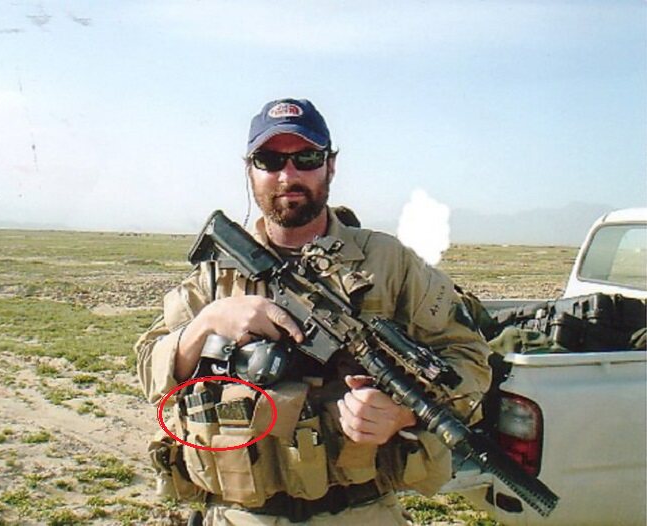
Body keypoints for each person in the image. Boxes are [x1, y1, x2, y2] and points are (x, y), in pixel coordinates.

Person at [135, 98, 491, 525]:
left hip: (361, 512)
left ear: (330, 166)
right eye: (270, 160)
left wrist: (403, 413)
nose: (288, 175)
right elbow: (149, 370)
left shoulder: (387, 262)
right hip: (240, 515)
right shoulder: (216, 277)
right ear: (250, 170)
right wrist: (208, 323)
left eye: (306, 158)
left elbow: (470, 359)